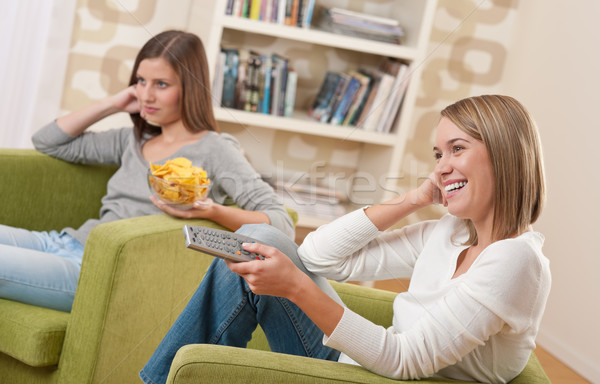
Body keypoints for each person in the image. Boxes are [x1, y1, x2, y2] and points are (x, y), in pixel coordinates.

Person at [140, 94, 551, 384]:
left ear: (503, 153)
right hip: (364, 361)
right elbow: (320, 257)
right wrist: (411, 199)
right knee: (257, 238)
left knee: (257, 253)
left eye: (456, 149)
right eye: (438, 155)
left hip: (387, 377)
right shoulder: (454, 232)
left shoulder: (515, 261)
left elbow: (405, 361)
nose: (442, 167)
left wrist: (296, 288)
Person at [0, 30, 293, 313]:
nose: (146, 95)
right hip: (64, 242)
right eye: (141, 81)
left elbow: (280, 222)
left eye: (161, 84)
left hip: (96, 272)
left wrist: (211, 211)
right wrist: (113, 103)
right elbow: (47, 141)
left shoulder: (215, 149)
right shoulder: (133, 139)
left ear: (190, 89)